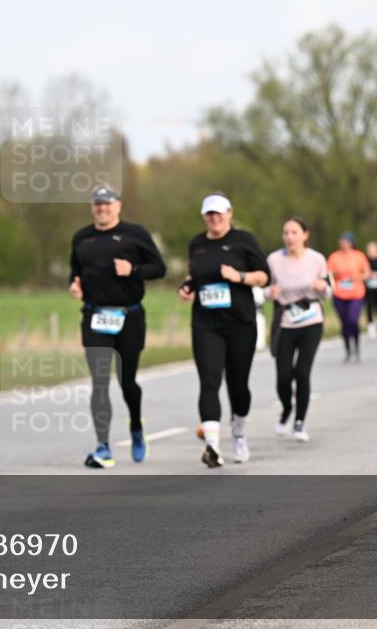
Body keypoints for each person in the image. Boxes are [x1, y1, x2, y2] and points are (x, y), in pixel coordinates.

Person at [69, 184, 166, 468]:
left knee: (127, 382)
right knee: (99, 382)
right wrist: (74, 286)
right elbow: (75, 271)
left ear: (118, 206)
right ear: (92, 207)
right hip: (95, 316)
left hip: (130, 317)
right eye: (98, 204)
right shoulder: (82, 238)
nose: (102, 208)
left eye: (107, 203)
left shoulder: (136, 235)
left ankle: (136, 425)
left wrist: (133, 270)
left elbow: (159, 269)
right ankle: (103, 446)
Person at [179, 192, 270, 468]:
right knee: (209, 381)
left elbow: (264, 277)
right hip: (206, 323)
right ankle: (212, 446)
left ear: (229, 213)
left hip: (240, 323)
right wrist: (187, 287)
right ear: (204, 217)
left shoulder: (245, 241)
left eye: (219, 213)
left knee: (238, 385)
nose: (214, 218)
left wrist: (239, 277)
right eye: (209, 214)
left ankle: (239, 434)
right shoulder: (197, 244)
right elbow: (195, 275)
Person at [266, 217, 330, 442]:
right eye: (286, 233)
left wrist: (322, 287)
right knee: (283, 376)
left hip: (311, 320)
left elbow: (328, 291)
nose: (289, 237)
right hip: (285, 321)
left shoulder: (317, 259)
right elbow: (264, 288)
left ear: (305, 234)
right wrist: (269, 293)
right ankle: (286, 410)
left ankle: (300, 422)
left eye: (294, 232)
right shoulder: (274, 260)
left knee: (302, 372)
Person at [327, 232, 370, 361]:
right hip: (339, 294)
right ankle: (347, 349)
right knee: (344, 322)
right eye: (342, 241)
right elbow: (327, 273)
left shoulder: (359, 256)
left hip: (356, 293)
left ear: (351, 243)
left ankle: (356, 346)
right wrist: (335, 273)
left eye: (346, 241)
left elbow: (367, 273)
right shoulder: (334, 257)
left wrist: (356, 277)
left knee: (352, 320)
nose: (343, 244)